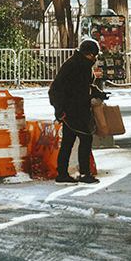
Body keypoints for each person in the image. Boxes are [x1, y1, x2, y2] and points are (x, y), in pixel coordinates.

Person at [49, 37, 109, 185]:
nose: (94, 58)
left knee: (68, 142)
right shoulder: (73, 66)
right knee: (86, 139)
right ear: (85, 53)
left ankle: (62, 174)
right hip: (71, 111)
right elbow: (55, 89)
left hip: (78, 110)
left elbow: (85, 86)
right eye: (92, 55)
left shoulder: (82, 65)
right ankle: (84, 174)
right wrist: (59, 110)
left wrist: (98, 93)